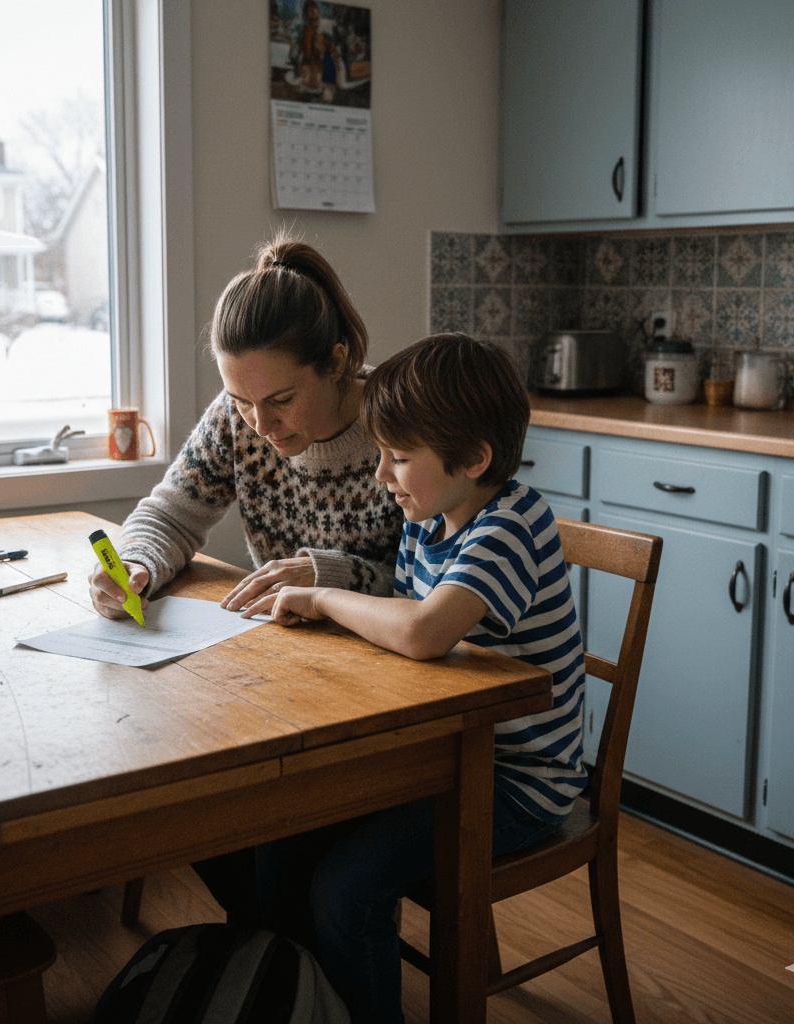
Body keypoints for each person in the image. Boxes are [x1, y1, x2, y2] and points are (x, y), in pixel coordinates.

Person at [241, 333, 587, 1024]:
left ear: (474, 460)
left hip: (517, 782)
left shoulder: (512, 525)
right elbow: (405, 613)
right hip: (445, 757)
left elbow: (424, 631)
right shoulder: (430, 521)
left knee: (346, 890)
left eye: (398, 459)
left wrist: (322, 597)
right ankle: (302, 1003)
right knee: (279, 836)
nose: (381, 477)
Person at [88, 231, 404, 925]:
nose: (260, 425)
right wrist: (138, 563)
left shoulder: (402, 425)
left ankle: (286, 962)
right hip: (285, 684)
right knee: (179, 803)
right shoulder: (241, 416)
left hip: (391, 704)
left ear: (339, 362)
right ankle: (281, 959)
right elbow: (168, 512)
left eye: (282, 400)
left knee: (268, 825)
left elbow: (431, 588)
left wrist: (329, 577)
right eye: (241, 401)